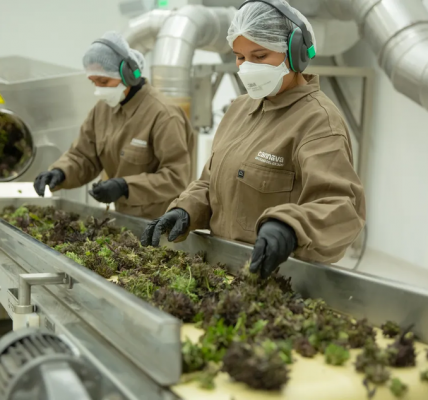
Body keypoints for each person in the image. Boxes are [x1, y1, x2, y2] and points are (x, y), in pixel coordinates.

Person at [141, 0, 366, 278]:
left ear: (295, 54)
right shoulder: (239, 109)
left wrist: (289, 227)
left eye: (259, 56)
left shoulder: (318, 121)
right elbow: (211, 183)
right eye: (240, 57)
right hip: (223, 272)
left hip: (279, 279)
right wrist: (185, 209)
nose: (247, 67)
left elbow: (341, 208)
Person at [33, 31, 194, 219]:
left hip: (160, 224)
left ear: (129, 75)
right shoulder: (102, 110)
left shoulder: (164, 115)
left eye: (104, 81)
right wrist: (60, 172)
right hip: (124, 219)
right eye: (94, 82)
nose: (99, 90)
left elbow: (176, 177)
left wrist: (125, 187)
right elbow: (84, 156)